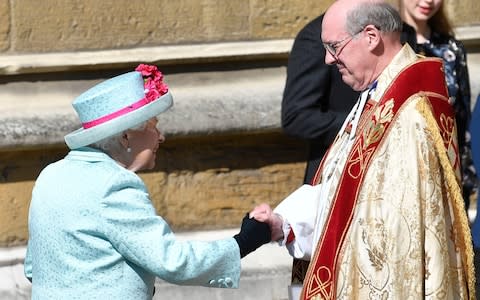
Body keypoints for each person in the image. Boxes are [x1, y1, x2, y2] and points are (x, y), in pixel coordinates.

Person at [250, 1, 475, 299]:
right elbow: (344, 193)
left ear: (370, 37)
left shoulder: (409, 117)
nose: (328, 60)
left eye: (334, 47)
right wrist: (285, 225)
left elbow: (395, 242)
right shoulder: (379, 95)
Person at [23, 64, 271, 299]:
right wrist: (247, 239)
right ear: (126, 137)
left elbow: (34, 267)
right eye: (154, 126)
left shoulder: (50, 175)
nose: (161, 137)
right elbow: (173, 262)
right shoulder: (115, 185)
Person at [281, 13, 359, 283]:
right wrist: (363, 123)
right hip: (332, 184)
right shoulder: (317, 35)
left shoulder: (398, 30)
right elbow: (296, 116)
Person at [399, 0, 477, 212]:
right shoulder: (390, 44)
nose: (429, 1)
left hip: (446, 173)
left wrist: (465, 179)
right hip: (401, 173)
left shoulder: (452, 48)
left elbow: (462, 120)